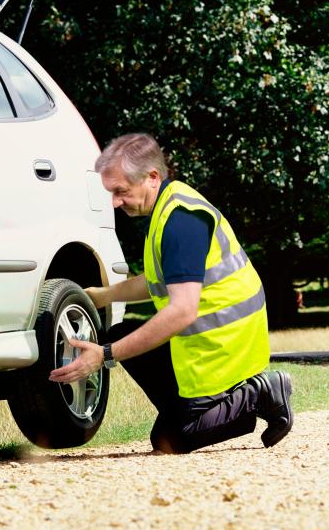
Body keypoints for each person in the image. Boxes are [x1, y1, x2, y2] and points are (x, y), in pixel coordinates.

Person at [49, 132, 294, 454]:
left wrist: (105, 356)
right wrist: (102, 295)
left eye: (121, 191)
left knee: (172, 438)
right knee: (121, 332)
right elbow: (157, 281)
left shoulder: (180, 221)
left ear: (152, 177)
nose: (115, 202)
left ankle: (260, 392)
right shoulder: (168, 208)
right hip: (205, 344)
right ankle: (190, 409)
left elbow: (182, 311)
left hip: (224, 349)